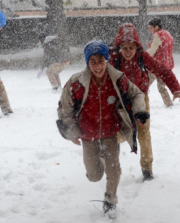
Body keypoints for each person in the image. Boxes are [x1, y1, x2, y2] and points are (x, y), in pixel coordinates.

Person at [56, 40, 148, 219]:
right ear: (87, 63)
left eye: (101, 61)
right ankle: (101, 161)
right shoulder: (76, 83)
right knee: (94, 175)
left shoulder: (118, 79)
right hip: (87, 133)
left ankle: (110, 201)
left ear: (107, 60)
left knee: (114, 169)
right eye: (93, 62)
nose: (97, 66)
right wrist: (72, 132)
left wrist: (140, 111)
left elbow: (137, 93)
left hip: (109, 131)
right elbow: (64, 108)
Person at [109, 23, 180, 181]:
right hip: (121, 101)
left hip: (141, 98)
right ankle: (112, 160)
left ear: (137, 46)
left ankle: (147, 170)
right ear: (119, 47)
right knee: (118, 133)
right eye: (124, 47)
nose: (128, 51)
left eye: (132, 47)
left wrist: (176, 89)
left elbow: (162, 70)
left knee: (143, 134)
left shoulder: (141, 56)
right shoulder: (113, 59)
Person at [147, 17, 175, 107]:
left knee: (144, 84)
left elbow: (152, 51)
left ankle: (140, 103)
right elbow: (165, 49)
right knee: (162, 87)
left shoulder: (158, 35)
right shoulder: (168, 34)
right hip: (165, 66)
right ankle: (169, 104)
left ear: (156, 27)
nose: (149, 31)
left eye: (150, 28)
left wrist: (141, 53)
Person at [37, 23, 70, 92]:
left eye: (39, 40)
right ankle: (59, 87)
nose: (39, 42)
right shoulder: (53, 40)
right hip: (66, 60)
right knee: (54, 71)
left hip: (61, 60)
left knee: (49, 72)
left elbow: (46, 57)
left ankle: (56, 87)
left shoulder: (47, 43)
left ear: (41, 39)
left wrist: (42, 68)